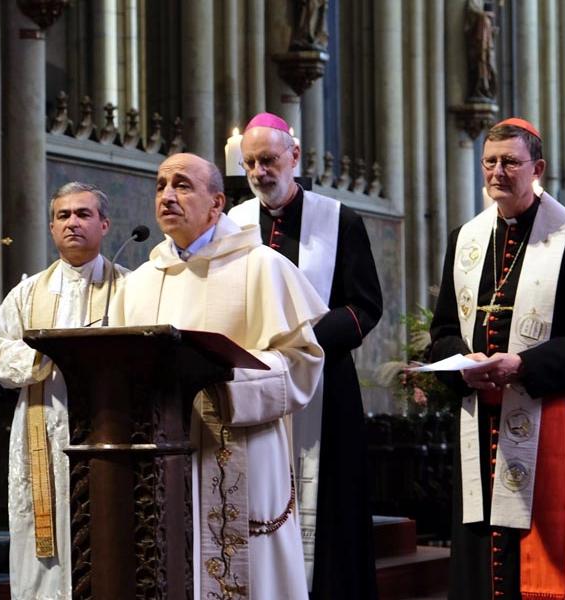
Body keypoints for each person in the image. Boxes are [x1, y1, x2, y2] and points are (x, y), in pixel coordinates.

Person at [110, 153, 327, 599]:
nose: (167, 195)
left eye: (183, 185)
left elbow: (302, 360)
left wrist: (229, 385)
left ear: (217, 203)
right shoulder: (140, 281)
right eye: (161, 185)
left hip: (239, 444)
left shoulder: (260, 266)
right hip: (160, 454)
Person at [428, 118, 565, 600]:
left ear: (536, 168)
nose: (498, 171)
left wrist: (525, 367)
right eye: (490, 161)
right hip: (481, 431)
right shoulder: (466, 240)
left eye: (510, 162)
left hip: (551, 424)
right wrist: (462, 361)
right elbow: (442, 333)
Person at [229, 112, 383, 600]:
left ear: (294, 157)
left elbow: (365, 307)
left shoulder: (340, 219)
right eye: (250, 163)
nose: (259, 172)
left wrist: (306, 341)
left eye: (269, 160)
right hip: (253, 388)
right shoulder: (233, 225)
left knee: (332, 505)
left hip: (325, 383)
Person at [0, 182, 127, 600]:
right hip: (43, 431)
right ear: (51, 228)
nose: (72, 223)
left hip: (109, 431)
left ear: (104, 224)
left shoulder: (130, 288)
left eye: (83, 214)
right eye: (63, 216)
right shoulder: (27, 294)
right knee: (43, 544)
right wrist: (45, 357)